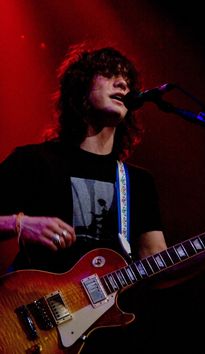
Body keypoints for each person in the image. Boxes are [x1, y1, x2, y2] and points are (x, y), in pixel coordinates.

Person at [0, 44, 167, 353]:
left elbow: (160, 266)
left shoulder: (138, 182)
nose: (122, 84)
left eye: (127, 80)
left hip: (107, 334)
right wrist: (19, 223)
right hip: (28, 323)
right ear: (80, 88)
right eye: (109, 74)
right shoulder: (34, 161)